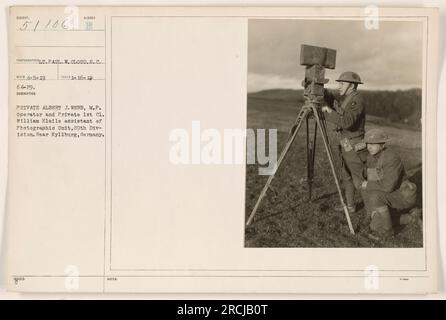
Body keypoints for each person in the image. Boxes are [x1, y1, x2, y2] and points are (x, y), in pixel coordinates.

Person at [359, 129, 418, 239]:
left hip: (403, 195)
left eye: (373, 144)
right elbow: (372, 179)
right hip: (390, 194)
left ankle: (388, 232)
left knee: (375, 196)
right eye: (367, 143)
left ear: (382, 144)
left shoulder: (391, 157)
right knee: (375, 224)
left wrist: (369, 185)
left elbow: (387, 186)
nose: (369, 147)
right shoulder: (371, 157)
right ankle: (410, 217)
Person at [321, 71, 366, 213]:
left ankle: (375, 212)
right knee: (346, 177)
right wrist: (322, 91)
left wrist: (328, 112)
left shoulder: (356, 100)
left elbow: (347, 121)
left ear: (351, 86)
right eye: (339, 83)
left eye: (342, 83)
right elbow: (338, 107)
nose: (339, 86)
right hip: (345, 143)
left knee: (359, 180)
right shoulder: (348, 98)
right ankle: (350, 206)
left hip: (354, 144)